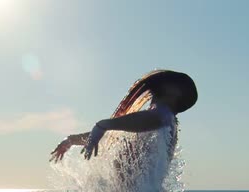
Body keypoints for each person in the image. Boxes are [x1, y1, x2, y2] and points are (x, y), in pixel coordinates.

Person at [49, 70, 197, 172]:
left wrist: (104, 125)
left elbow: (151, 119)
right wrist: (71, 140)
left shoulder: (163, 115)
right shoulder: (163, 121)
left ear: (175, 93)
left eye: (169, 81)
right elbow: (112, 136)